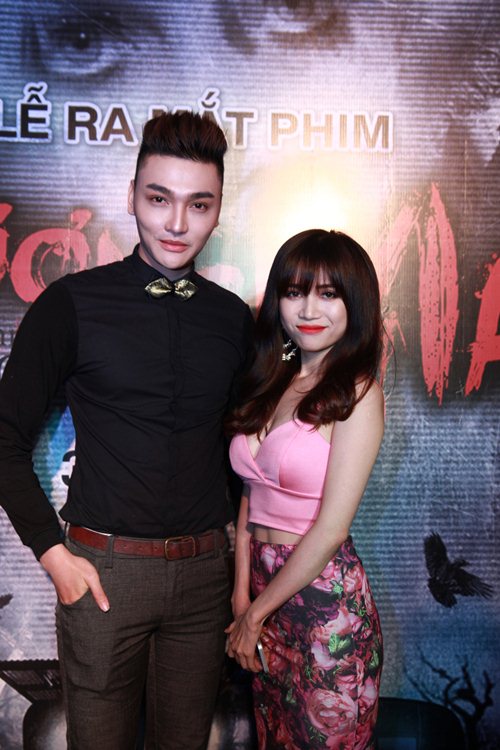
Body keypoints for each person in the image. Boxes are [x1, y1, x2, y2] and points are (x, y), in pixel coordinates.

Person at [0, 111, 253, 749]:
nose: (177, 223)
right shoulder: (71, 304)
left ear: (218, 211)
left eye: (199, 204)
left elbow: (242, 452)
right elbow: (2, 436)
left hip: (204, 580)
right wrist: (54, 555)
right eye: (159, 199)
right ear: (132, 195)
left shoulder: (233, 321)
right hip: (103, 575)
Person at [226, 229, 384, 749]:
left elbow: (332, 528)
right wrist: (242, 593)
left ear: (354, 303)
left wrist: (255, 613)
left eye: (328, 293)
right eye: (294, 292)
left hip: (325, 608)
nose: (309, 309)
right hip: (263, 597)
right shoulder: (273, 379)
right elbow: (251, 493)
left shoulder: (358, 392)